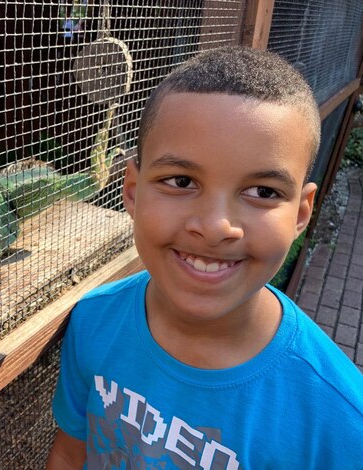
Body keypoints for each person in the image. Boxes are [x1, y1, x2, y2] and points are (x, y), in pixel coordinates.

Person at [46, 46, 363, 469]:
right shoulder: (92, 322)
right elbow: (71, 453)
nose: (215, 226)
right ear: (132, 191)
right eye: (181, 181)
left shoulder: (341, 420)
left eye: (263, 192)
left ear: (302, 213)